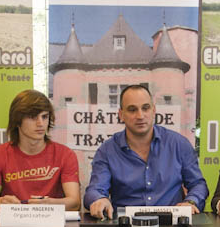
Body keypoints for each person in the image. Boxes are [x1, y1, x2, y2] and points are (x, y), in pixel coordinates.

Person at [84, 84, 208, 219]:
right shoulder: (107, 150)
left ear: (153, 110)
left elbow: (198, 184)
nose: (140, 115)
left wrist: (190, 202)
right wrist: (99, 199)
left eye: (145, 108)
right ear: (121, 115)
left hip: (172, 225)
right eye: (132, 110)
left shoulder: (178, 144)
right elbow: (95, 190)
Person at [0, 89, 80, 212]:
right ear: (17, 121)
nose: (40, 123)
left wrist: (50, 204)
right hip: (12, 225)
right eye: (33, 117)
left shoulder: (65, 155)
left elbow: (75, 203)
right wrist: (0, 203)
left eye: (45, 117)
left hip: (51, 226)